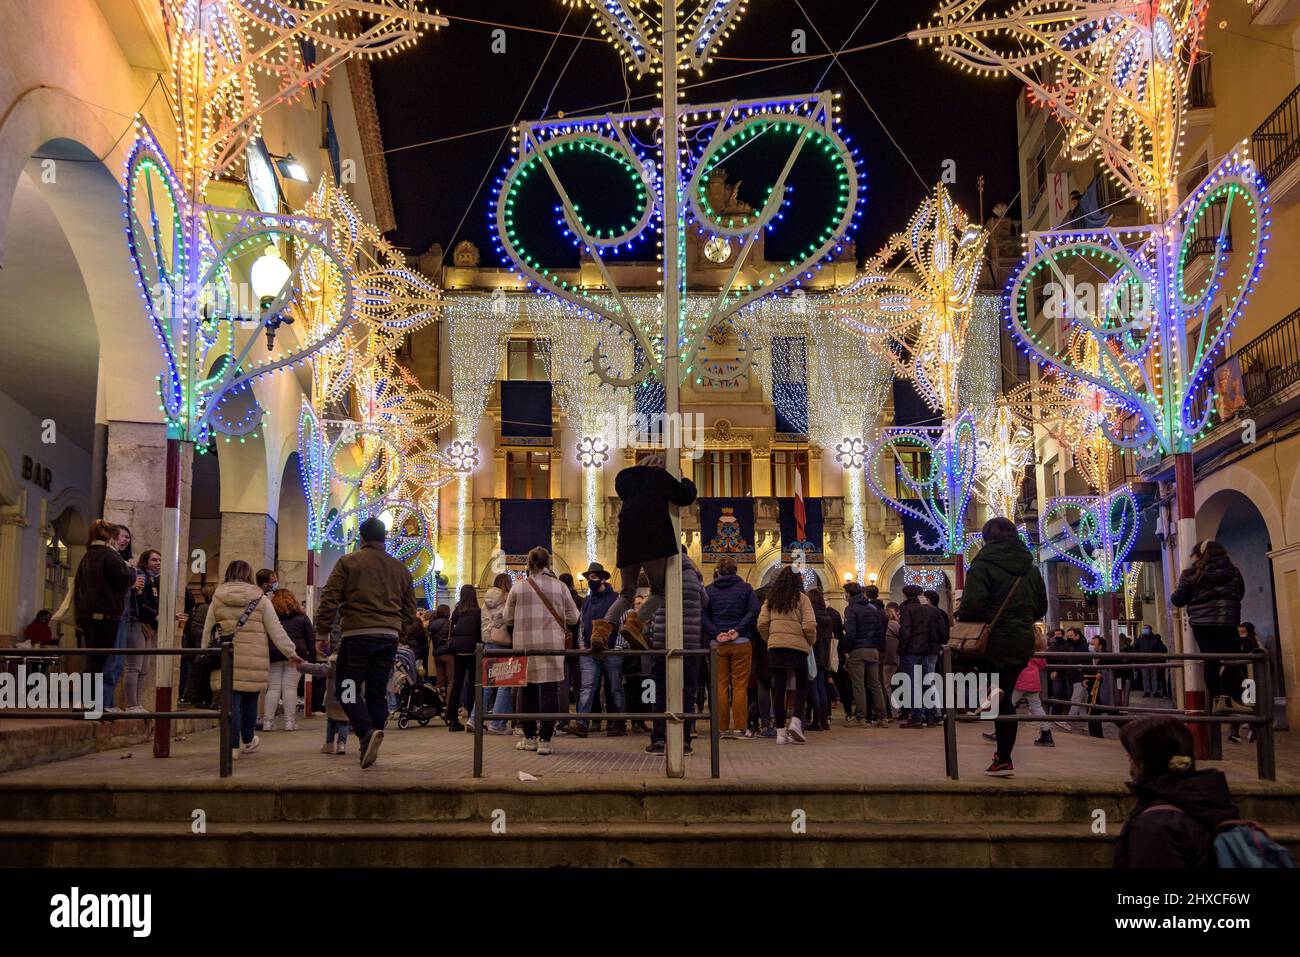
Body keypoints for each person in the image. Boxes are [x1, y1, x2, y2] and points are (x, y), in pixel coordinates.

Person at [314, 516, 418, 769]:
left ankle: (365, 732)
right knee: (376, 691)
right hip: (388, 638)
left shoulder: (348, 562)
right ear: (384, 539)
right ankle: (370, 740)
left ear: (361, 538)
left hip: (358, 635)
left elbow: (330, 597)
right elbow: (410, 609)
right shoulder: (400, 568)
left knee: (346, 688)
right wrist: (399, 630)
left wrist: (322, 632)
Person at [953, 517, 1047, 777]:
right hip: (1020, 643)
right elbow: (1041, 607)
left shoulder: (982, 565)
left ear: (987, 538)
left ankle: (985, 692)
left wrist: (965, 615)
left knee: (955, 664)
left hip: (989, 643)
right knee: (1004, 703)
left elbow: (972, 607)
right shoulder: (1031, 568)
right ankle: (1003, 758)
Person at [593, 454, 697, 650]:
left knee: (626, 594)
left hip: (627, 543)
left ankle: (601, 632)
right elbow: (684, 496)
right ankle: (635, 625)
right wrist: (683, 479)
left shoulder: (625, 478)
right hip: (652, 541)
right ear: (659, 466)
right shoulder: (658, 476)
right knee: (659, 592)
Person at [204, 560, 301, 759]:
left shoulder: (218, 598)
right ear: (249, 574)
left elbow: (208, 631)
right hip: (254, 658)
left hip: (227, 656)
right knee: (250, 702)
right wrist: (291, 652)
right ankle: (248, 741)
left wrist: (205, 651)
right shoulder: (261, 599)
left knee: (231, 704)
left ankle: (232, 747)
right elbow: (276, 631)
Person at [1113, 715, 1239, 868]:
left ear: (1145, 761)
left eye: (1132, 754)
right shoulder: (1209, 801)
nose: (1129, 759)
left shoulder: (1156, 825)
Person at [504, 546, 580, 755]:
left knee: (526, 691)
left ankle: (529, 737)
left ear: (529, 565)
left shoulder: (518, 588)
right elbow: (574, 617)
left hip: (525, 646)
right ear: (548, 564)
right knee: (549, 691)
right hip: (551, 647)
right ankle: (545, 740)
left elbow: (506, 618)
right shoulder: (561, 587)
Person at [1171, 540, 1245, 713]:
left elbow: (1178, 599)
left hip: (1202, 623)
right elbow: (1240, 593)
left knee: (1211, 660)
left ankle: (1217, 698)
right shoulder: (1234, 572)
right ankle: (1230, 697)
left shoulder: (1192, 573)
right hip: (1228, 621)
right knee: (1234, 660)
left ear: (1199, 555)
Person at [72, 519, 137, 714]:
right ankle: (90, 704)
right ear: (109, 536)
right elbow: (123, 578)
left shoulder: (88, 556)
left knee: (93, 659)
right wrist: (132, 571)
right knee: (98, 661)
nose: (119, 541)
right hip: (105, 615)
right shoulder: (109, 555)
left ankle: (85, 703)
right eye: (117, 536)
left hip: (86, 614)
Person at [646, 547, 707, 755]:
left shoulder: (662, 573)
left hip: (662, 641)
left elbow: (652, 604)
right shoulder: (695, 576)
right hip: (690, 644)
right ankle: (685, 740)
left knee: (659, 690)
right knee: (687, 692)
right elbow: (705, 602)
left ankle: (659, 739)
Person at [757, 567, 817, 745]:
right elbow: (809, 625)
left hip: (776, 647)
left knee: (779, 688)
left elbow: (761, 623)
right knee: (802, 684)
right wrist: (809, 642)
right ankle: (796, 721)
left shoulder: (771, 600)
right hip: (797, 648)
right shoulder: (802, 599)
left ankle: (781, 732)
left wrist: (771, 639)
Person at [702, 557, 759, 739]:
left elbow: (703, 615)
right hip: (741, 642)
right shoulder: (746, 589)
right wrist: (737, 630)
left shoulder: (709, 590)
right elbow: (753, 611)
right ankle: (741, 728)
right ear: (736, 570)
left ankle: (722, 729)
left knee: (719, 687)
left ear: (718, 571)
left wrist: (716, 633)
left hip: (717, 644)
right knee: (740, 687)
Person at [572, 562, 622, 738]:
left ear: (602, 578)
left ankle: (617, 723)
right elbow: (581, 624)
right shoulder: (587, 600)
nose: (589, 581)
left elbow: (622, 622)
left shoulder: (616, 598)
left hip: (611, 649)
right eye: (587, 578)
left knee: (614, 688)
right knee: (587, 687)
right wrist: (582, 644)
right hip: (589, 651)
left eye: (592, 577)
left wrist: (618, 646)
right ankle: (582, 724)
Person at [266, 588, 314, 731]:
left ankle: (268, 722)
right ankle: (289, 722)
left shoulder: (272, 617)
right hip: (296, 653)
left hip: (274, 652)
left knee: (273, 688)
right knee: (290, 688)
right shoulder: (302, 618)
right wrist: (311, 659)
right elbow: (310, 639)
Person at [473, 573, 514, 735]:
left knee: (487, 684)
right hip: (502, 643)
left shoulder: (486, 601)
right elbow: (506, 618)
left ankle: (474, 719)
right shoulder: (506, 599)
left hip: (487, 643)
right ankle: (497, 723)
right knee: (504, 683)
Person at [842, 582, 886, 726]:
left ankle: (860, 717)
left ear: (849, 593)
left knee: (858, 685)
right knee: (875, 684)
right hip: (873, 650)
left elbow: (850, 633)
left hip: (858, 650)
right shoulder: (873, 608)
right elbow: (880, 631)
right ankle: (882, 717)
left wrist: (846, 650)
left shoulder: (851, 609)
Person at [296, 644, 349, 755]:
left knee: (331, 721)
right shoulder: (356, 665)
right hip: (349, 697)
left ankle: (329, 745)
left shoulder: (333, 664)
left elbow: (318, 669)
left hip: (332, 698)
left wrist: (301, 666)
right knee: (344, 722)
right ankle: (342, 745)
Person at [444, 584, 481, 732]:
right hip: (473, 650)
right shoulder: (478, 612)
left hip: (458, 651)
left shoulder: (457, 612)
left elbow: (451, 631)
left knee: (457, 683)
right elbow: (480, 632)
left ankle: (452, 718)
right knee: (473, 684)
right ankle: (472, 716)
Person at [1226, 622, 1260, 744]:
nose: (1240, 635)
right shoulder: (1253, 643)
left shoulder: (1250, 644)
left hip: (1247, 679)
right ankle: (1239, 733)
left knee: (1248, 705)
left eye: (1242, 632)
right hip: (1241, 678)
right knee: (1244, 705)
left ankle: (1250, 732)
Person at [806, 588, 835, 731]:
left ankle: (816, 721)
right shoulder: (828, 616)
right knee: (822, 688)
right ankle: (824, 721)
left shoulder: (812, 616)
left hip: (813, 655)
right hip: (824, 655)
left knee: (813, 689)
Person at [182, 584, 215, 705]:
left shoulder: (205, 608)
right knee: (199, 674)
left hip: (204, 646)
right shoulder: (205, 608)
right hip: (203, 647)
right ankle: (196, 697)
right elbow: (196, 629)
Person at [1135, 624, 1168, 698]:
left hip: (1154, 661)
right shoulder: (1139, 639)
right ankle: (1147, 691)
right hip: (1143, 661)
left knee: (1154, 677)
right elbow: (1135, 648)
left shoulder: (1155, 639)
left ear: (1150, 630)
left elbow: (1161, 649)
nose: (1144, 630)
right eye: (1143, 628)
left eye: (1146, 628)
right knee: (1145, 677)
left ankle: (1155, 691)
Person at [882, 602, 901, 719]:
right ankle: (896, 710)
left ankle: (893, 710)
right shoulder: (896, 625)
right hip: (895, 658)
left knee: (886, 685)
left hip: (887, 659)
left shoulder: (887, 625)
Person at [428, 604, 453, 692]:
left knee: (439, 682)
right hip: (447, 654)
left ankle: (438, 703)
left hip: (437, 655)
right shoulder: (448, 624)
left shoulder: (432, 625)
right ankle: (448, 704)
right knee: (451, 681)